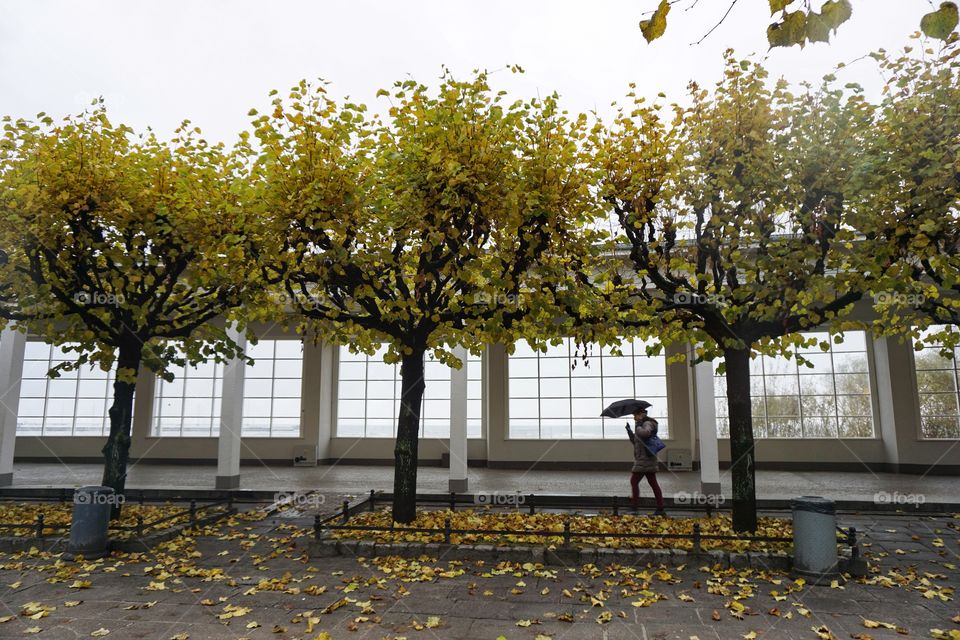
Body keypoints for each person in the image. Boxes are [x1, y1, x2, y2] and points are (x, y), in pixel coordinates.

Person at [625, 408, 666, 516]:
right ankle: (660, 508)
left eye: (635, 415)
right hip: (644, 459)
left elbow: (646, 433)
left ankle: (634, 507)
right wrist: (630, 432)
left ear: (640, 414)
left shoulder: (647, 423)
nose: (634, 417)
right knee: (653, 483)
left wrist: (638, 425)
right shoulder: (642, 424)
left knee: (634, 481)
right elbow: (637, 442)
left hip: (645, 459)